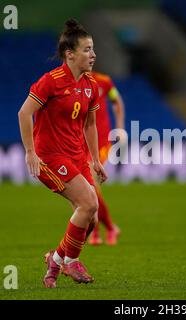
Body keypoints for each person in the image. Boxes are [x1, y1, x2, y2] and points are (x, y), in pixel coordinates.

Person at [17, 19, 107, 288]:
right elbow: (24, 113)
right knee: (88, 204)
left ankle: (55, 261)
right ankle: (70, 262)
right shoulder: (51, 82)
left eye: (93, 49)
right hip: (51, 157)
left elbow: (90, 124)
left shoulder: (91, 85)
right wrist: (30, 152)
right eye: (87, 50)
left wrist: (93, 159)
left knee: (92, 218)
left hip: (76, 155)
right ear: (70, 54)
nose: (93, 55)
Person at [87, 71, 125, 246]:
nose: (90, 57)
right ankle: (110, 227)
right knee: (86, 190)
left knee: (91, 183)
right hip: (78, 143)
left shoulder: (104, 81)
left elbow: (117, 101)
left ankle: (96, 231)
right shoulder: (68, 84)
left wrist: (120, 127)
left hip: (101, 142)